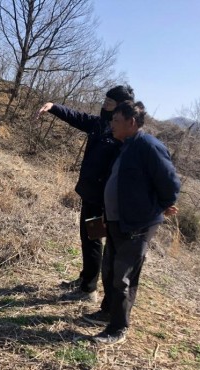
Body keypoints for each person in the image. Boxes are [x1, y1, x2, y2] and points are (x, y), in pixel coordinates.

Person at [84, 100, 181, 344]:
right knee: (109, 269)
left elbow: (170, 184)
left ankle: (118, 328)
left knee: (123, 276)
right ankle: (107, 312)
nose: (112, 124)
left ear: (132, 122)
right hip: (118, 221)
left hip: (137, 224)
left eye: (116, 120)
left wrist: (158, 207)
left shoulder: (148, 146)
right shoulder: (125, 145)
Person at [37, 85, 135, 302]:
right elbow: (77, 117)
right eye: (105, 100)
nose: (104, 104)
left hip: (101, 199)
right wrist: (54, 107)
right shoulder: (100, 124)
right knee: (89, 238)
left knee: (92, 239)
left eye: (109, 102)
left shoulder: (122, 135)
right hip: (90, 193)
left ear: (120, 107)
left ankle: (88, 289)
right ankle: (86, 278)